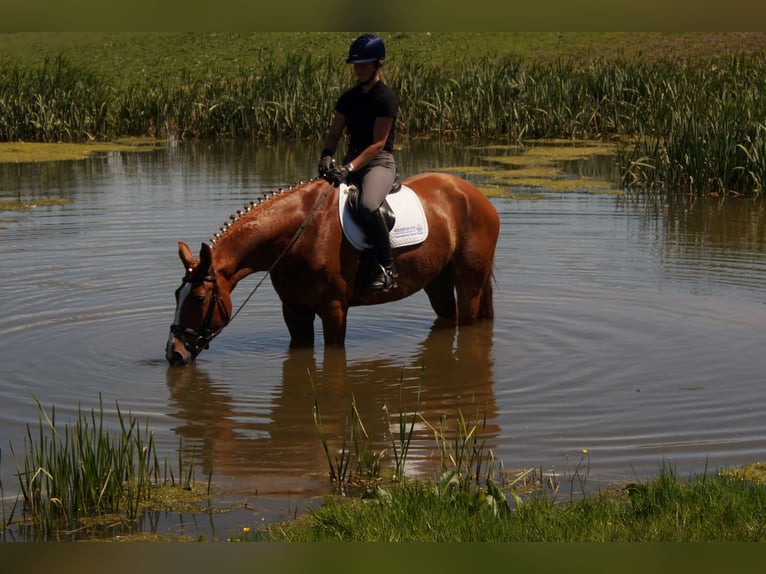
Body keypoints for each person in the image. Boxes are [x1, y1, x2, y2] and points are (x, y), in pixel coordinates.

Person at [318, 33, 399, 292]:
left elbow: (377, 144)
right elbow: (334, 133)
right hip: (350, 159)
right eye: (356, 65)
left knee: (366, 204)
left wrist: (351, 167)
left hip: (379, 162)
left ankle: (387, 269)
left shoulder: (385, 98)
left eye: (364, 64)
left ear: (379, 64)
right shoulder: (348, 98)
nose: (359, 69)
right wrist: (327, 156)